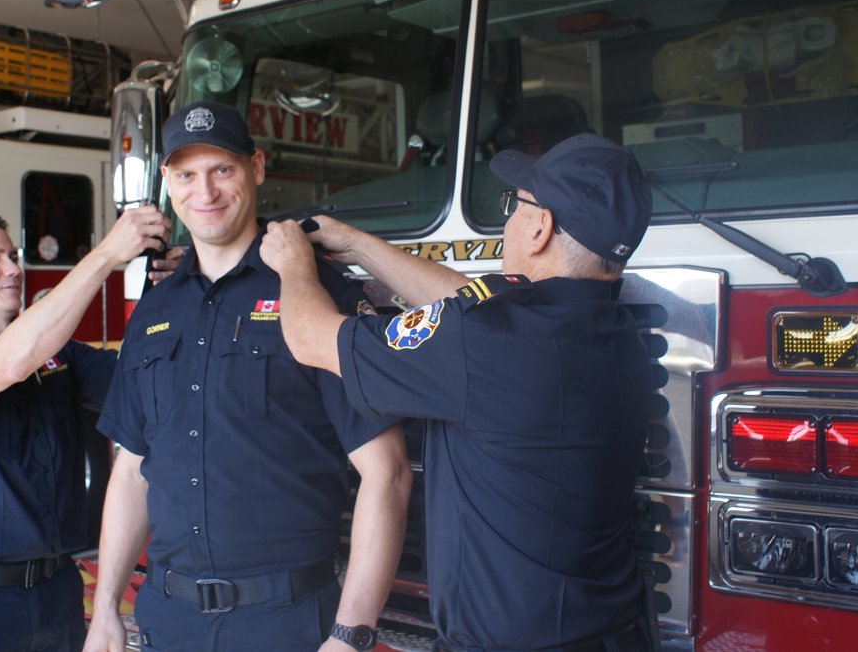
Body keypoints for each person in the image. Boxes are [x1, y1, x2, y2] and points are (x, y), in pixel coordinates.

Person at [261, 133, 656, 652]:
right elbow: (471, 310)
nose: (509, 216)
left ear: (540, 228)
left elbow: (311, 338)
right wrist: (357, 244)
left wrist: (293, 263)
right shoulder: (620, 333)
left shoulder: (488, 343)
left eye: (515, 205)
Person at [84, 101, 412, 652]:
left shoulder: (315, 292)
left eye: (223, 170)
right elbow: (133, 468)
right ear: (166, 180)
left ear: (256, 168)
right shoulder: (154, 309)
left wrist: (350, 635)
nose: (205, 192)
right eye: (187, 175)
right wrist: (106, 612)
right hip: (170, 621)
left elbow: (389, 472)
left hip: (286, 623)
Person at [0, 207, 172, 652]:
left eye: (13, 256)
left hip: (56, 592)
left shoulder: (58, 353)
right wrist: (105, 255)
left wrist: (185, 289)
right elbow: (11, 362)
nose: (13, 269)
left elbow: (150, 382)